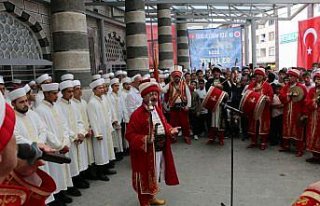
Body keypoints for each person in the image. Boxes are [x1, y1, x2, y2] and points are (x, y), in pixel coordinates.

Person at [126, 80, 179, 206]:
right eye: (151, 94)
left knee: (154, 175)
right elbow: (129, 135)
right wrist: (145, 139)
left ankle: (152, 197)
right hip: (145, 152)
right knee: (144, 177)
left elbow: (164, 124)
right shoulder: (137, 115)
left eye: (155, 94)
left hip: (159, 149)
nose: (154, 97)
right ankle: (144, 201)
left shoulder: (157, 110)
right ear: (144, 96)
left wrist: (171, 129)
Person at [0, 92, 57, 206]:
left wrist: (39, 144)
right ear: (13, 104)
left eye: (26, 101)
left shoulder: (33, 114)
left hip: (37, 154)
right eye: (21, 102)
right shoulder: (12, 117)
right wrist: (33, 146)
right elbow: (16, 138)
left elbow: (43, 130)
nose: (25, 104)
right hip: (24, 159)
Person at [34, 83, 76, 204]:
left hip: (62, 144)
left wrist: (66, 142)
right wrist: (59, 145)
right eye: (53, 93)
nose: (56, 95)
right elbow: (45, 132)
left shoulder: (56, 107)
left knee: (63, 172)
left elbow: (64, 125)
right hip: (52, 148)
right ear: (46, 94)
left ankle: (63, 192)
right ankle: (56, 196)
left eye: (57, 93)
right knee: (55, 172)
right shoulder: (40, 110)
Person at [57, 80, 89, 190]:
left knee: (79, 160)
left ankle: (79, 179)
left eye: (72, 91)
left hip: (78, 137)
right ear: (62, 92)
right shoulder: (59, 106)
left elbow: (80, 121)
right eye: (68, 91)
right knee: (72, 162)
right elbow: (63, 125)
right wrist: (74, 136)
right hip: (70, 139)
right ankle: (73, 184)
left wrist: (81, 132)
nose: (71, 94)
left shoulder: (74, 104)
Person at [87, 78, 115, 181]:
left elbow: (107, 114)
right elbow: (93, 119)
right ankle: (100, 172)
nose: (102, 89)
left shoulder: (103, 99)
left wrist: (109, 126)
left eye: (103, 87)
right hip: (99, 132)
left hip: (106, 129)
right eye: (100, 88)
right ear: (94, 90)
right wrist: (97, 133)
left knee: (107, 150)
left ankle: (106, 168)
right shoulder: (92, 103)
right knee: (100, 152)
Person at [279, 68, 307, 157]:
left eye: (292, 76)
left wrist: (304, 113)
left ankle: (300, 149)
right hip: (287, 112)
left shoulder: (302, 87)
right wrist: (287, 97)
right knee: (286, 128)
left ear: (296, 77)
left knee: (298, 130)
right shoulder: (286, 87)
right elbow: (281, 96)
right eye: (289, 76)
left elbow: (305, 101)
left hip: (297, 112)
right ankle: (286, 146)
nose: (290, 78)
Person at [162, 65, 192, 144]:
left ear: (180, 77)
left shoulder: (184, 84)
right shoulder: (169, 84)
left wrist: (188, 106)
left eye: (178, 77)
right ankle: (173, 137)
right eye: (175, 77)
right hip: (173, 107)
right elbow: (164, 90)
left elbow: (188, 95)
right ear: (173, 77)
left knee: (185, 123)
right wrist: (156, 85)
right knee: (173, 123)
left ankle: (187, 137)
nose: (177, 78)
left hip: (182, 106)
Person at [246, 68, 273, 150]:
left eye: (259, 75)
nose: (257, 76)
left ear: (263, 76)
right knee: (253, 125)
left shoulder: (267, 86)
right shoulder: (251, 85)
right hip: (253, 109)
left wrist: (268, 98)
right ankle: (253, 141)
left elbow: (271, 96)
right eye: (256, 74)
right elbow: (247, 94)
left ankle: (263, 142)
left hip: (263, 109)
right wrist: (254, 90)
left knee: (263, 125)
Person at [304, 71, 320, 163]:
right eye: (316, 79)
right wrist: (314, 102)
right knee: (312, 134)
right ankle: (315, 155)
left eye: (319, 79)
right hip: (312, 116)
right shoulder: (311, 90)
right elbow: (307, 101)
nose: (317, 81)